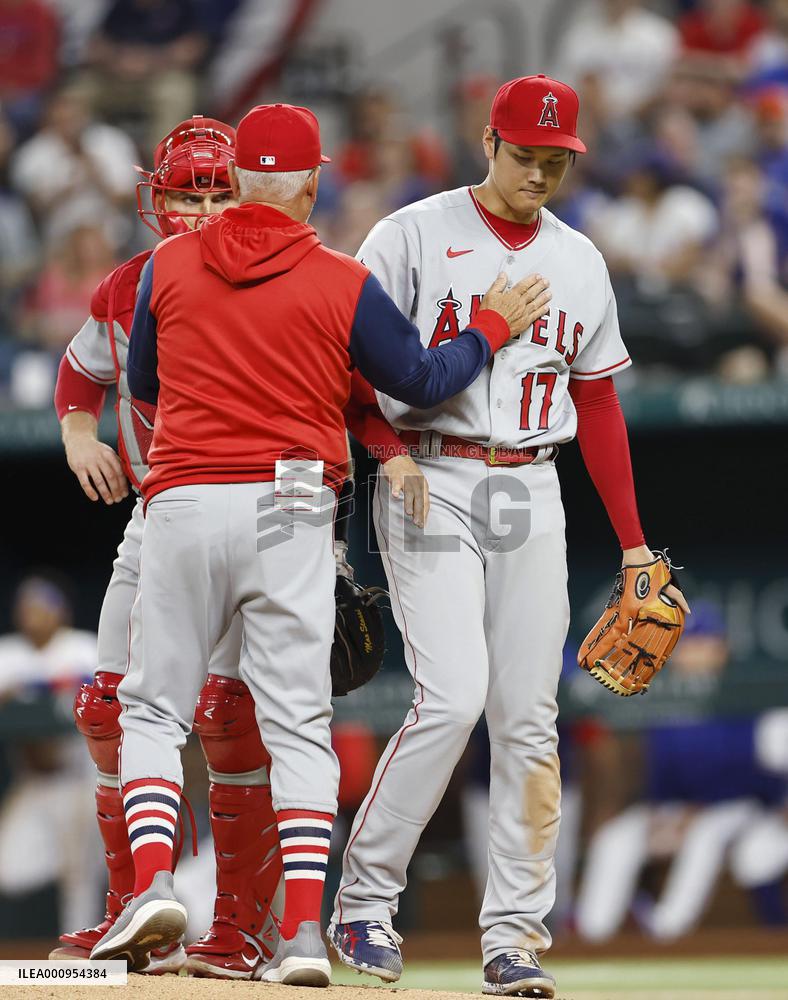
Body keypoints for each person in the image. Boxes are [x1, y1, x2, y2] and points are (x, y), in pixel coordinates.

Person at [87, 102, 550, 984]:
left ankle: (152, 883)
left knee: (152, 708)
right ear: (308, 182)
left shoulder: (170, 264)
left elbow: (144, 376)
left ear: (241, 181)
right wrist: (489, 327)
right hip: (290, 504)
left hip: (183, 495)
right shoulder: (340, 278)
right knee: (296, 722)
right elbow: (418, 379)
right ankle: (301, 936)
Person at [327, 75, 688, 1000]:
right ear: (488, 141)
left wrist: (637, 545)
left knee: (529, 717)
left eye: (556, 157)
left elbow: (598, 400)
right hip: (429, 471)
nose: (540, 170)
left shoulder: (579, 260)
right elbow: (349, 372)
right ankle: (365, 903)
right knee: (450, 699)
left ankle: (515, 937)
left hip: (532, 480)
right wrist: (381, 452)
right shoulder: (409, 235)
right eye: (526, 152)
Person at [52, 114, 432, 980]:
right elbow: (85, 372)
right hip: (208, 507)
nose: (198, 208)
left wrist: (392, 449)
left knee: (220, 717)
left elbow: (363, 394)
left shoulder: (218, 275)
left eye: (217, 190)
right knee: (117, 707)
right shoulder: (140, 282)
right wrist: (79, 435)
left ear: (251, 189)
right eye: (186, 193)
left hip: (199, 499)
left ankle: (235, 925)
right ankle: (147, 914)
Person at [0, 575, 100, 936]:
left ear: (61, 612)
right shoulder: (8, 653)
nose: (32, 615)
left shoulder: (82, 647)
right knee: (10, 871)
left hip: (79, 778)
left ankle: (83, 967)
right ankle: (68, 857)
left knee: (81, 879)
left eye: (41, 607)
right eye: (26, 607)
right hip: (34, 784)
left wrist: (33, 688)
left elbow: (94, 691)